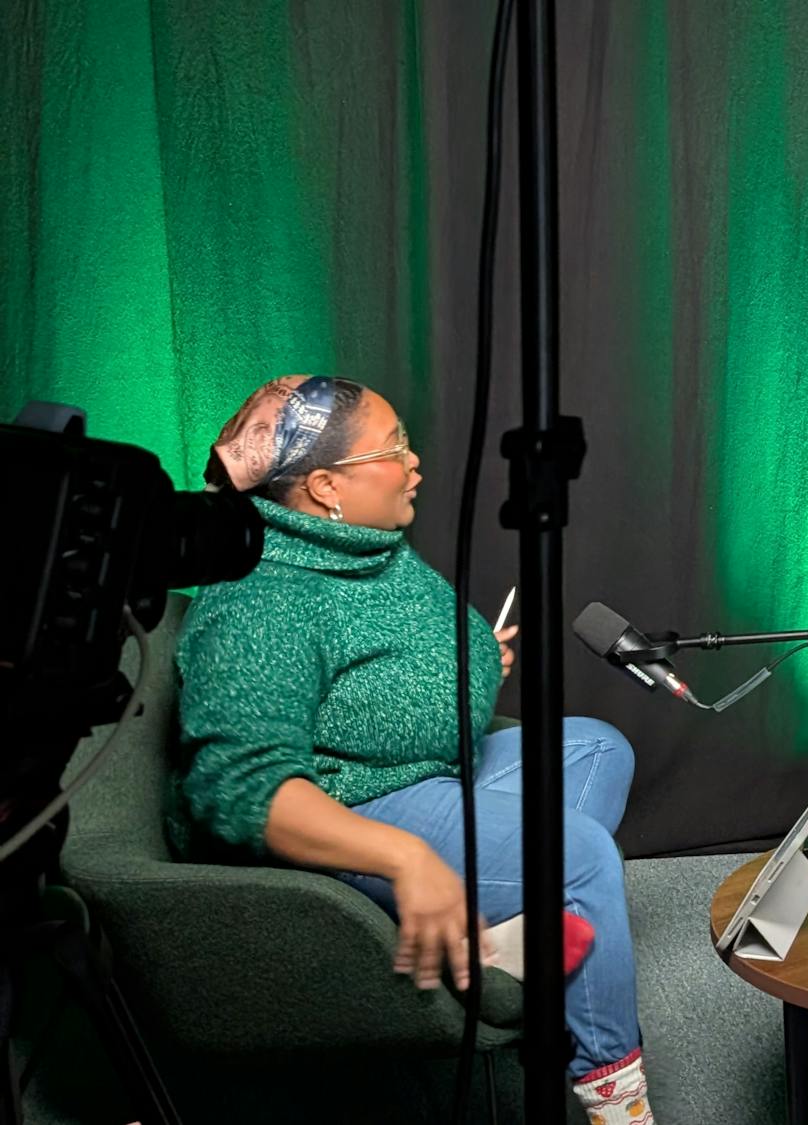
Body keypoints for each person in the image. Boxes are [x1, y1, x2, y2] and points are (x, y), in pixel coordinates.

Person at [173, 376, 653, 1124]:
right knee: (579, 856)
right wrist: (404, 855)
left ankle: (511, 926)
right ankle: (620, 1106)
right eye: (395, 448)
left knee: (599, 748)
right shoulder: (259, 600)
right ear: (327, 485)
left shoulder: (358, 544)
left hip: (432, 765)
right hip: (355, 798)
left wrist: (468, 657)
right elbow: (241, 789)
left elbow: (387, 649)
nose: (417, 461)